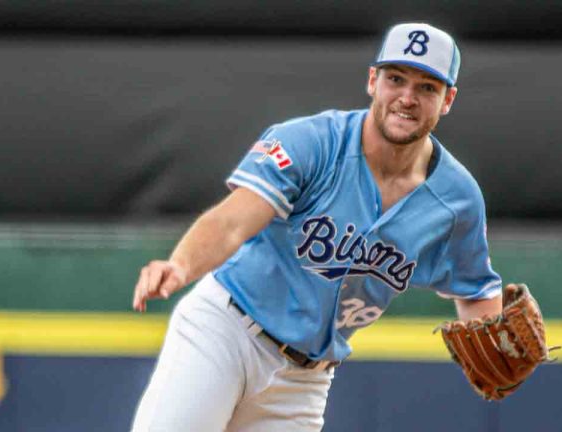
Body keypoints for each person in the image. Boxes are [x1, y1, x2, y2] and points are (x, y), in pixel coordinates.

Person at [130, 22, 503, 431]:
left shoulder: (457, 199)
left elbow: (475, 289)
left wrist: (496, 349)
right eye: (396, 79)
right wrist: (181, 265)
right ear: (372, 80)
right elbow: (232, 221)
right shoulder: (312, 142)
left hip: (304, 380)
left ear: (448, 99)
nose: (407, 98)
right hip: (226, 334)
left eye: (427, 87)